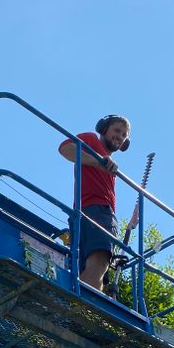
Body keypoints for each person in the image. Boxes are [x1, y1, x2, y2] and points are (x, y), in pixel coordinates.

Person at [58, 115, 131, 291]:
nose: (120, 137)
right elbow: (65, 149)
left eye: (124, 135)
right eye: (117, 130)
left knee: (87, 269)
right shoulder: (91, 140)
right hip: (98, 211)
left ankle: (77, 308)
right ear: (104, 129)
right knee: (99, 262)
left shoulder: (109, 163)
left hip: (85, 214)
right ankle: (83, 310)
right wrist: (98, 162)